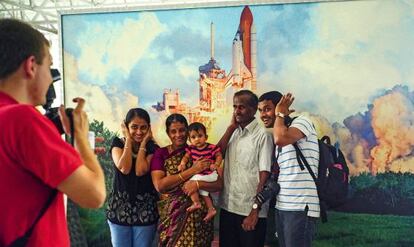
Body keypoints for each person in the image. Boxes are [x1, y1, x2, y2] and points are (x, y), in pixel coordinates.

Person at [0, 19, 105, 246]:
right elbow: (94, 194)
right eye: (49, 66)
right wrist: (81, 138)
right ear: (31, 66)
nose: (50, 78)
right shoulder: (21, 119)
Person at [150, 114, 222, 247]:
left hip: (201, 217)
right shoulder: (161, 154)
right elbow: (160, 186)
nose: (178, 135)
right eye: (173, 131)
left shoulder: (202, 151)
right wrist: (193, 170)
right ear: (168, 133)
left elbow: (218, 183)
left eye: (182, 130)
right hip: (174, 216)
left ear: (187, 131)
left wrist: (197, 184)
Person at [261, 91, 320, 247]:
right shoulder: (278, 134)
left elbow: (281, 139)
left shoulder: (302, 121)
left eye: (267, 109)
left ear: (280, 107)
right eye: (260, 110)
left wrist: (280, 113)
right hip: (283, 206)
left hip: (301, 206)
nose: (262, 115)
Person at [218, 90, 274, 247]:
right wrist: (230, 128)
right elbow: (215, 156)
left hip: (249, 211)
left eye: (241, 107)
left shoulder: (263, 135)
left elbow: (265, 175)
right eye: (234, 106)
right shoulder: (233, 133)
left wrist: (255, 210)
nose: (236, 111)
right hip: (228, 208)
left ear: (254, 109)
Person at [106, 108, 159, 247]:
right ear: (126, 127)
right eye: (134, 127)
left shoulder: (153, 148)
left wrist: (143, 145)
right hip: (119, 211)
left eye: (143, 128)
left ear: (148, 128)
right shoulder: (118, 143)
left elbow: (140, 170)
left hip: (146, 211)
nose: (139, 132)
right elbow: (124, 167)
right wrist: (128, 140)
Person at [177, 122, 222, 221]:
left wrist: (216, 164)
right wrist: (182, 164)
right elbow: (186, 157)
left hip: (210, 174)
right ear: (189, 140)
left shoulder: (211, 147)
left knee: (190, 183)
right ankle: (211, 209)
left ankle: (196, 203)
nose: (197, 139)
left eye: (200, 136)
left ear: (206, 137)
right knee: (203, 192)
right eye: (193, 137)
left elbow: (219, 155)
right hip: (201, 175)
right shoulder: (191, 149)